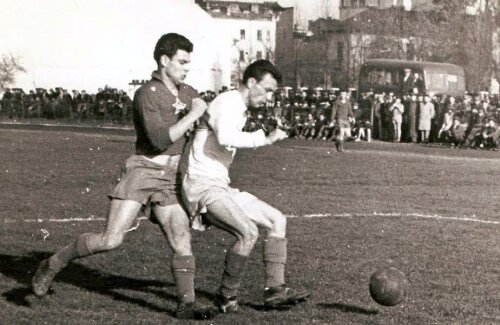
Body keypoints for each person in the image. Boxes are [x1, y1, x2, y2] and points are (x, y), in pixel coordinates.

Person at [31, 33, 215, 320]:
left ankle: (186, 304)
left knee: (182, 238)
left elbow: (207, 124)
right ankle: (52, 264)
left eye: (189, 62)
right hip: (143, 171)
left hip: (170, 178)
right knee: (111, 240)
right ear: (164, 61)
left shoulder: (189, 92)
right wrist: (193, 116)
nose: (186, 68)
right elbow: (158, 140)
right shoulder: (146, 94)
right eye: (182, 62)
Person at [181, 60, 310, 313]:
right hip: (202, 184)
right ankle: (226, 297)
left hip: (220, 185)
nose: (270, 97)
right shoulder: (228, 101)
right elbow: (226, 137)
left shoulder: (237, 107)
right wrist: (265, 137)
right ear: (252, 83)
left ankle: (275, 290)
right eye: (269, 90)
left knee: (277, 220)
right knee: (248, 232)